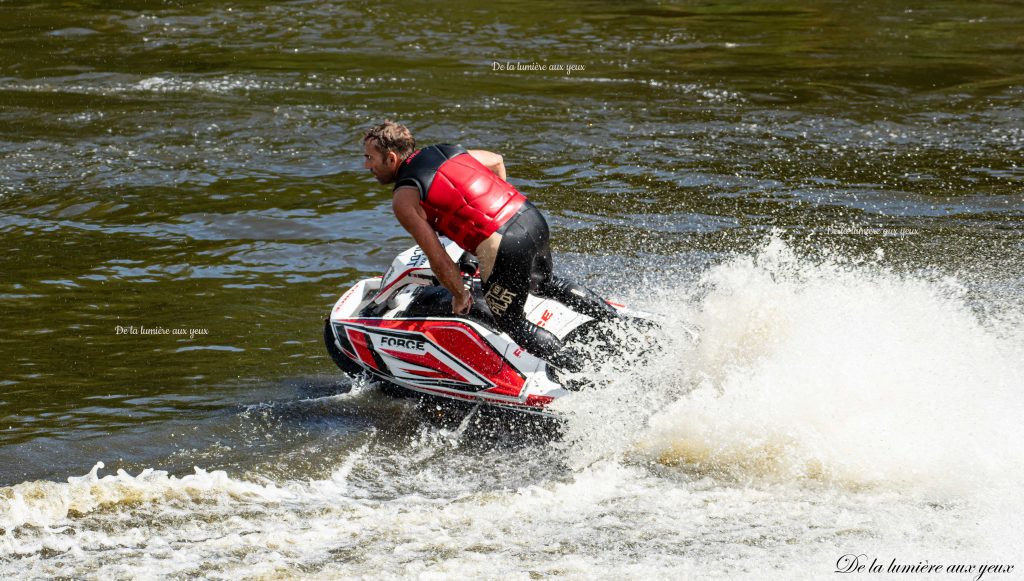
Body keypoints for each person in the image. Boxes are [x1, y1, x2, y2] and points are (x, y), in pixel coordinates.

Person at [361, 120, 616, 364]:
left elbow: (438, 257)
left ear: (391, 158)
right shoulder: (448, 151)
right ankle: (617, 322)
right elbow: (496, 160)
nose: (366, 166)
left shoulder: (404, 198)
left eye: (370, 158)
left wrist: (460, 295)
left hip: (504, 244)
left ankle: (585, 371)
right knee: (545, 283)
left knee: (511, 322)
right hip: (529, 217)